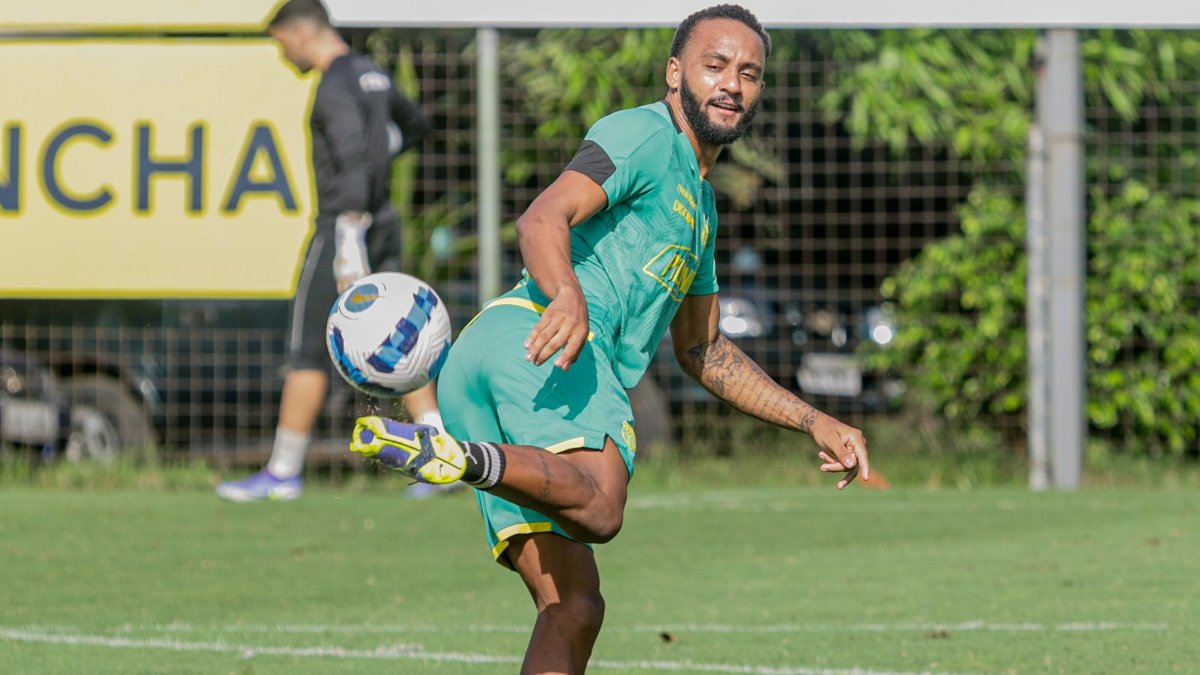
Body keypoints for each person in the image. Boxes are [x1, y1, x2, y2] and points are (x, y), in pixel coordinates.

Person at [351, 5, 870, 671]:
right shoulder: (645, 135)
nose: (731, 84)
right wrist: (567, 294)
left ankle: (456, 451)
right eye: (715, 66)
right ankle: (455, 454)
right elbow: (544, 215)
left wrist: (813, 419)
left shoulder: (701, 208)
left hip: (501, 360)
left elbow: (703, 349)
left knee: (572, 605)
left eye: (749, 73)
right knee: (600, 503)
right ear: (675, 72)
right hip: (540, 342)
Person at [217, 0, 441, 502]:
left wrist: (347, 234)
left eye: (279, 42)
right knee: (408, 337)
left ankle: (282, 471)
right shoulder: (371, 75)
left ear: (299, 33)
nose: (282, 54)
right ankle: (437, 449)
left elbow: (351, 161)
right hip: (385, 223)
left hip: (347, 228)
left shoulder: (334, 86)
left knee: (308, 348)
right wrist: (384, 157)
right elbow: (415, 124)